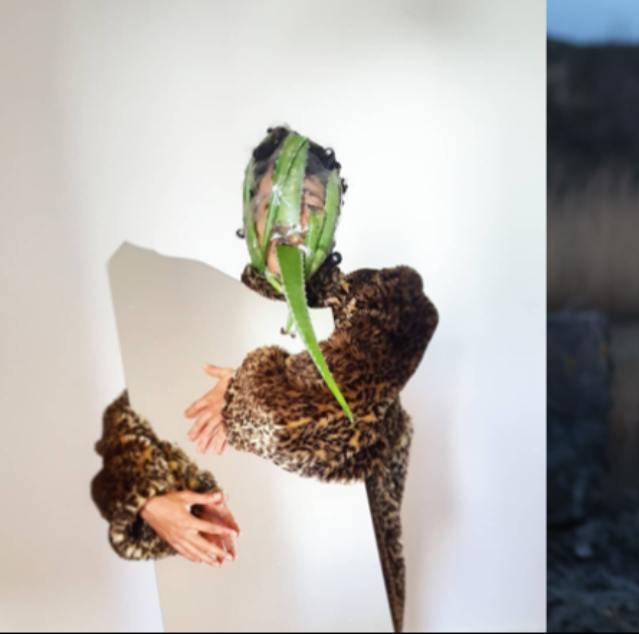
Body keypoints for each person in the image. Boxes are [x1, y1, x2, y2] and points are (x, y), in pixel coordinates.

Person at [91, 125, 438, 633]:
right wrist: (148, 501)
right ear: (248, 214)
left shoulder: (381, 305)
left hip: (348, 603)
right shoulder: (200, 313)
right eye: (268, 200)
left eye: (308, 202)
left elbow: (342, 423)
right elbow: (126, 430)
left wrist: (240, 398)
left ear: (332, 215)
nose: (285, 220)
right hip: (242, 606)